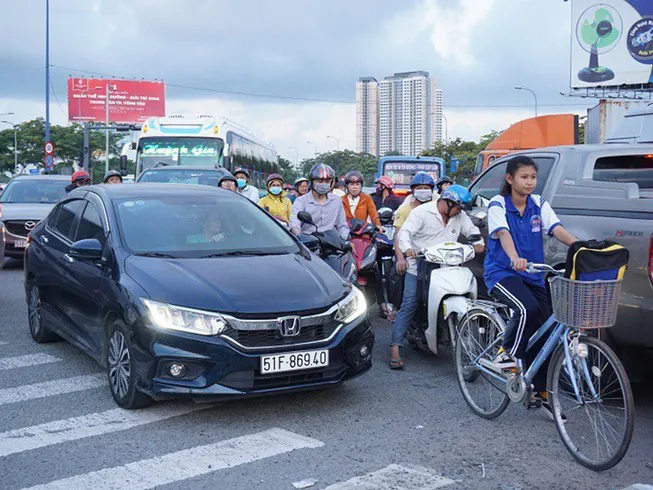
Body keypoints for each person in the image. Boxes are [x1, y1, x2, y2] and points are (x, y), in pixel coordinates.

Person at [484, 155, 577, 414]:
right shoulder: (498, 204)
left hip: (534, 274)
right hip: (502, 273)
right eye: (524, 177)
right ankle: (507, 353)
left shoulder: (538, 203)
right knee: (527, 309)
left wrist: (580, 246)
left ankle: (542, 393)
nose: (529, 182)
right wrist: (514, 258)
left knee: (547, 333)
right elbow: (503, 233)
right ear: (510, 179)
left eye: (533, 177)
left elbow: (557, 229)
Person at [389, 185, 484, 369]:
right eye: (457, 207)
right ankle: (395, 346)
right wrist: (408, 249)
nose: (459, 211)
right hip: (418, 266)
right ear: (447, 202)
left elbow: (472, 231)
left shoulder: (459, 215)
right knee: (411, 302)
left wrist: (478, 242)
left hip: (447, 266)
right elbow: (404, 234)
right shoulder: (422, 212)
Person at [289, 163, 349, 239]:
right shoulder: (301, 201)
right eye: (320, 181)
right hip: (309, 244)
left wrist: (344, 239)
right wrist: (300, 236)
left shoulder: (337, 200)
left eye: (327, 181)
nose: (324, 184)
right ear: (312, 181)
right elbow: (294, 223)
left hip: (333, 244)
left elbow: (342, 225)